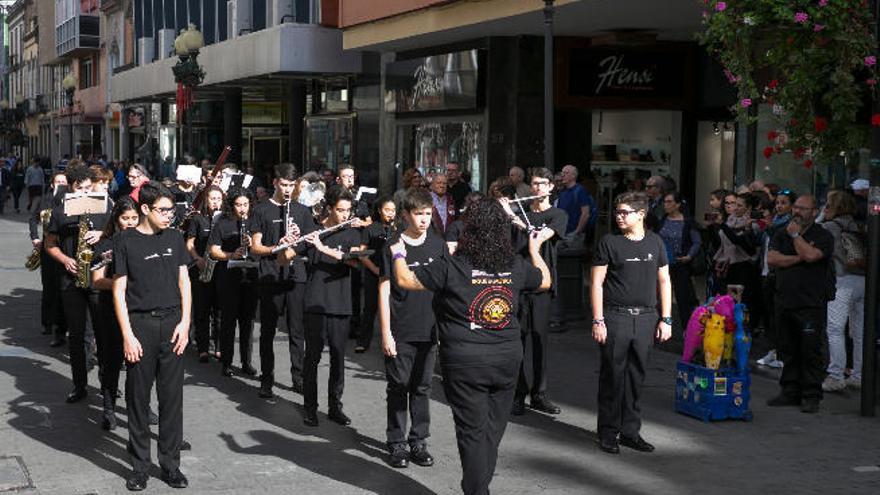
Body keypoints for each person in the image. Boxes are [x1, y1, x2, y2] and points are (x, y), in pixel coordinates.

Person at [388, 198, 552, 495]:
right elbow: (545, 281)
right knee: (491, 430)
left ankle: (476, 488)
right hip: (506, 358)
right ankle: (478, 486)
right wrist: (534, 251)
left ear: (468, 230)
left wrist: (398, 250)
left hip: (465, 360)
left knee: (472, 431)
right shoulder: (514, 265)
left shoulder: (453, 266)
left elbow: (404, 279)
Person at [112, 181, 191, 491]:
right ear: (144, 209)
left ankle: (170, 465)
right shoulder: (125, 241)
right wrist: (127, 335)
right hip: (140, 326)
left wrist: (185, 322)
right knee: (138, 399)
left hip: (173, 325)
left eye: (172, 210)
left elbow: (185, 282)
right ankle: (140, 467)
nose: (169, 215)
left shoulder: (175, 237)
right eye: (163, 210)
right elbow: (119, 290)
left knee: (172, 400)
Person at [591, 191, 672, 455]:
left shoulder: (655, 243)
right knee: (612, 377)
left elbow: (664, 281)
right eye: (617, 212)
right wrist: (598, 319)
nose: (619, 217)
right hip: (616, 317)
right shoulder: (609, 242)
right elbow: (597, 283)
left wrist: (666, 318)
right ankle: (607, 432)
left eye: (625, 212)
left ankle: (630, 432)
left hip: (647, 317)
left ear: (641, 214)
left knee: (636, 377)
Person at [284, 185, 363, 427]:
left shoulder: (350, 234)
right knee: (313, 358)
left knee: (338, 357)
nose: (345, 215)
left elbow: (355, 261)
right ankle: (310, 407)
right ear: (330, 208)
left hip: (341, 303)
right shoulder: (314, 230)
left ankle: (334, 406)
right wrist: (290, 241)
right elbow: (283, 257)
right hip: (316, 302)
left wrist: (322, 248)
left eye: (348, 211)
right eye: (340, 210)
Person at [378, 188, 446, 468]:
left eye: (428, 214)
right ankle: (396, 442)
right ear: (405, 215)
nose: (424, 220)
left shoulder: (438, 245)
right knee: (398, 386)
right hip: (400, 328)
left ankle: (418, 440)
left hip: (429, 329)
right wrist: (386, 332)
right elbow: (383, 290)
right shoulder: (393, 245)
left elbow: (445, 289)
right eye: (419, 214)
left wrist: (445, 330)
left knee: (422, 387)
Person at [501, 167, 567, 417]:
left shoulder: (558, 215)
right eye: (534, 184)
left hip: (542, 285)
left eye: (542, 183)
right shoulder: (522, 214)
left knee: (540, 341)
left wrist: (513, 217)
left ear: (551, 187)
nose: (538, 188)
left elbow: (538, 239)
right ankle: (518, 393)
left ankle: (539, 394)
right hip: (519, 284)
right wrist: (508, 215)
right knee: (518, 341)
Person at [45, 164, 110, 403]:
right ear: (70, 188)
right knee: (77, 335)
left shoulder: (104, 206)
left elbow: (121, 234)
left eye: (87, 188)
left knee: (102, 334)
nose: (83, 193)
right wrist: (65, 259)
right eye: (79, 188)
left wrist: (102, 234)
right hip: (71, 279)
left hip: (97, 276)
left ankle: (107, 384)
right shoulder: (61, 211)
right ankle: (79, 384)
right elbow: (49, 244)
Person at [250, 163, 315, 398]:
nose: (288, 190)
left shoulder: (302, 210)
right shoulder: (261, 210)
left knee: (297, 330)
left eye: (291, 185)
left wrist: (295, 243)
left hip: (296, 275)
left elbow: (308, 242)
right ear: (275, 182)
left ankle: (298, 377)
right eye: (284, 185)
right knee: (267, 330)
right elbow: (256, 247)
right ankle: (266, 379)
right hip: (270, 275)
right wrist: (277, 247)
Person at [766, 194, 834, 413]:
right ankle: (790, 391)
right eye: (796, 207)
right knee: (787, 348)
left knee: (810, 349)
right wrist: (798, 258)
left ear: (814, 212)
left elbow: (813, 255)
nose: (797, 212)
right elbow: (772, 259)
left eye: (803, 209)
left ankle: (811, 395)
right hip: (784, 300)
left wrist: (796, 236)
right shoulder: (780, 233)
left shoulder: (822, 235)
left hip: (810, 304)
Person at [90, 197, 140, 430]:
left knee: (140, 366)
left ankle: (140, 409)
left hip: (140, 310)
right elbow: (97, 281)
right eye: (125, 218)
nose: (130, 222)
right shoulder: (105, 244)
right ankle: (109, 409)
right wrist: (123, 285)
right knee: (111, 362)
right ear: (116, 219)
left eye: (134, 218)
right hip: (111, 309)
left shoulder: (147, 241)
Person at [207, 187, 258, 377]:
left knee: (248, 322)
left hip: (250, 276)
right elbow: (213, 250)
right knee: (228, 321)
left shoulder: (253, 222)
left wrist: (252, 244)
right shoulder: (223, 222)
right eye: (238, 205)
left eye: (245, 205)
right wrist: (230, 254)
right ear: (232, 205)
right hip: (228, 277)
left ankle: (247, 362)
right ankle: (226, 362)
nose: (242, 209)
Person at [821, 190, 866, 392]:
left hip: (842, 280)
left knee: (835, 329)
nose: (825, 208)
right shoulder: (857, 225)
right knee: (859, 331)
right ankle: (858, 374)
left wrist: (821, 215)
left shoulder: (830, 226)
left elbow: (813, 232)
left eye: (828, 205)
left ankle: (836, 375)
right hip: (863, 279)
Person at [756, 189, 796, 369]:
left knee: (780, 315)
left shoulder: (790, 225)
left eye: (784, 203)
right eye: (778, 202)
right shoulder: (774, 222)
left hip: (780, 274)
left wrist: (768, 226)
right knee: (768, 314)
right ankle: (773, 349)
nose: (779, 206)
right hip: (766, 273)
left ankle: (783, 352)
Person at [185, 186, 224, 362]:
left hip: (220, 268)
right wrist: (197, 258)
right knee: (202, 308)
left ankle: (219, 345)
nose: (215, 202)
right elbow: (190, 243)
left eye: (218, 198)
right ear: (206, 200)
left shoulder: (224, 219)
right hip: (202, 266)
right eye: (212, 198)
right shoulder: (198, 219)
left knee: (219, 309)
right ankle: (202, 347)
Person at [357, 195, 399, 353]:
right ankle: (363, 341)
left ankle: (393, 340)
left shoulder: (398, 229)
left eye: (393, 210)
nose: (391, 213)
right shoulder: (371, 229)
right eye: (387, 210)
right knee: (370, 308)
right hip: (374, 272)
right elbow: (362, 253)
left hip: (393, 273)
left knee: (394, 308)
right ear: (380, 211)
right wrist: (374, 269)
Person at [30, 172, 68, 342]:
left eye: (63, 182)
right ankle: (47, 323)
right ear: (52, 184)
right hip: (47, 246)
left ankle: (61, 325)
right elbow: (33, 219)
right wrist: (35, 237)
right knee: (48, 286)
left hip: (65, 248)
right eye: (58, 181)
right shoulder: (44, 199)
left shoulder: (70, 199)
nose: (60, 184)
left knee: (63, 287)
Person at [657, 192, 701, 332]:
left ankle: (686, 330)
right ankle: (659, 325)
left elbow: (697, 242)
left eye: (669, 202)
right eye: (665, 202)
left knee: (683, 298)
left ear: (678, 204)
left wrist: (689, 256)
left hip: (680, 263)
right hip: (662, 263)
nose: (666, 205)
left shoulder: (687, 221)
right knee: (660, 296)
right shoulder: (663, 219)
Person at [556, 164, 596, 244]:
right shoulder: (562, 192)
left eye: (566, 173)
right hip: (562, 232)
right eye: (562, 173)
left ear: (573, 176)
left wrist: (577, 231)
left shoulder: (580, 191)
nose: (563, 175)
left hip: (574, 234)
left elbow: (585, 214)